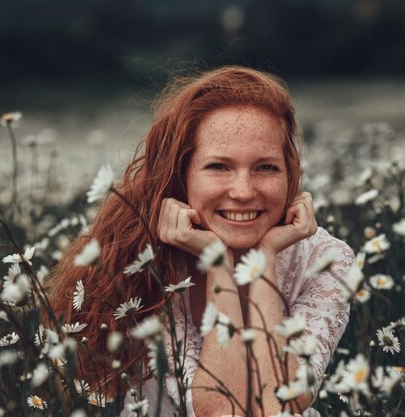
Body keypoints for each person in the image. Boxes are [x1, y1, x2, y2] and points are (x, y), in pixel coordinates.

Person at [46, 66, 355, 417]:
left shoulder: (327, 261)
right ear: (182, 175)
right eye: (218, 167)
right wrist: (219, 264)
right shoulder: (146, 263)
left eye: (266, 168)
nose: (243, 191)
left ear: (290, 173)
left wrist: (264, 261)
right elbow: (220, 409)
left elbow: (283, 404)